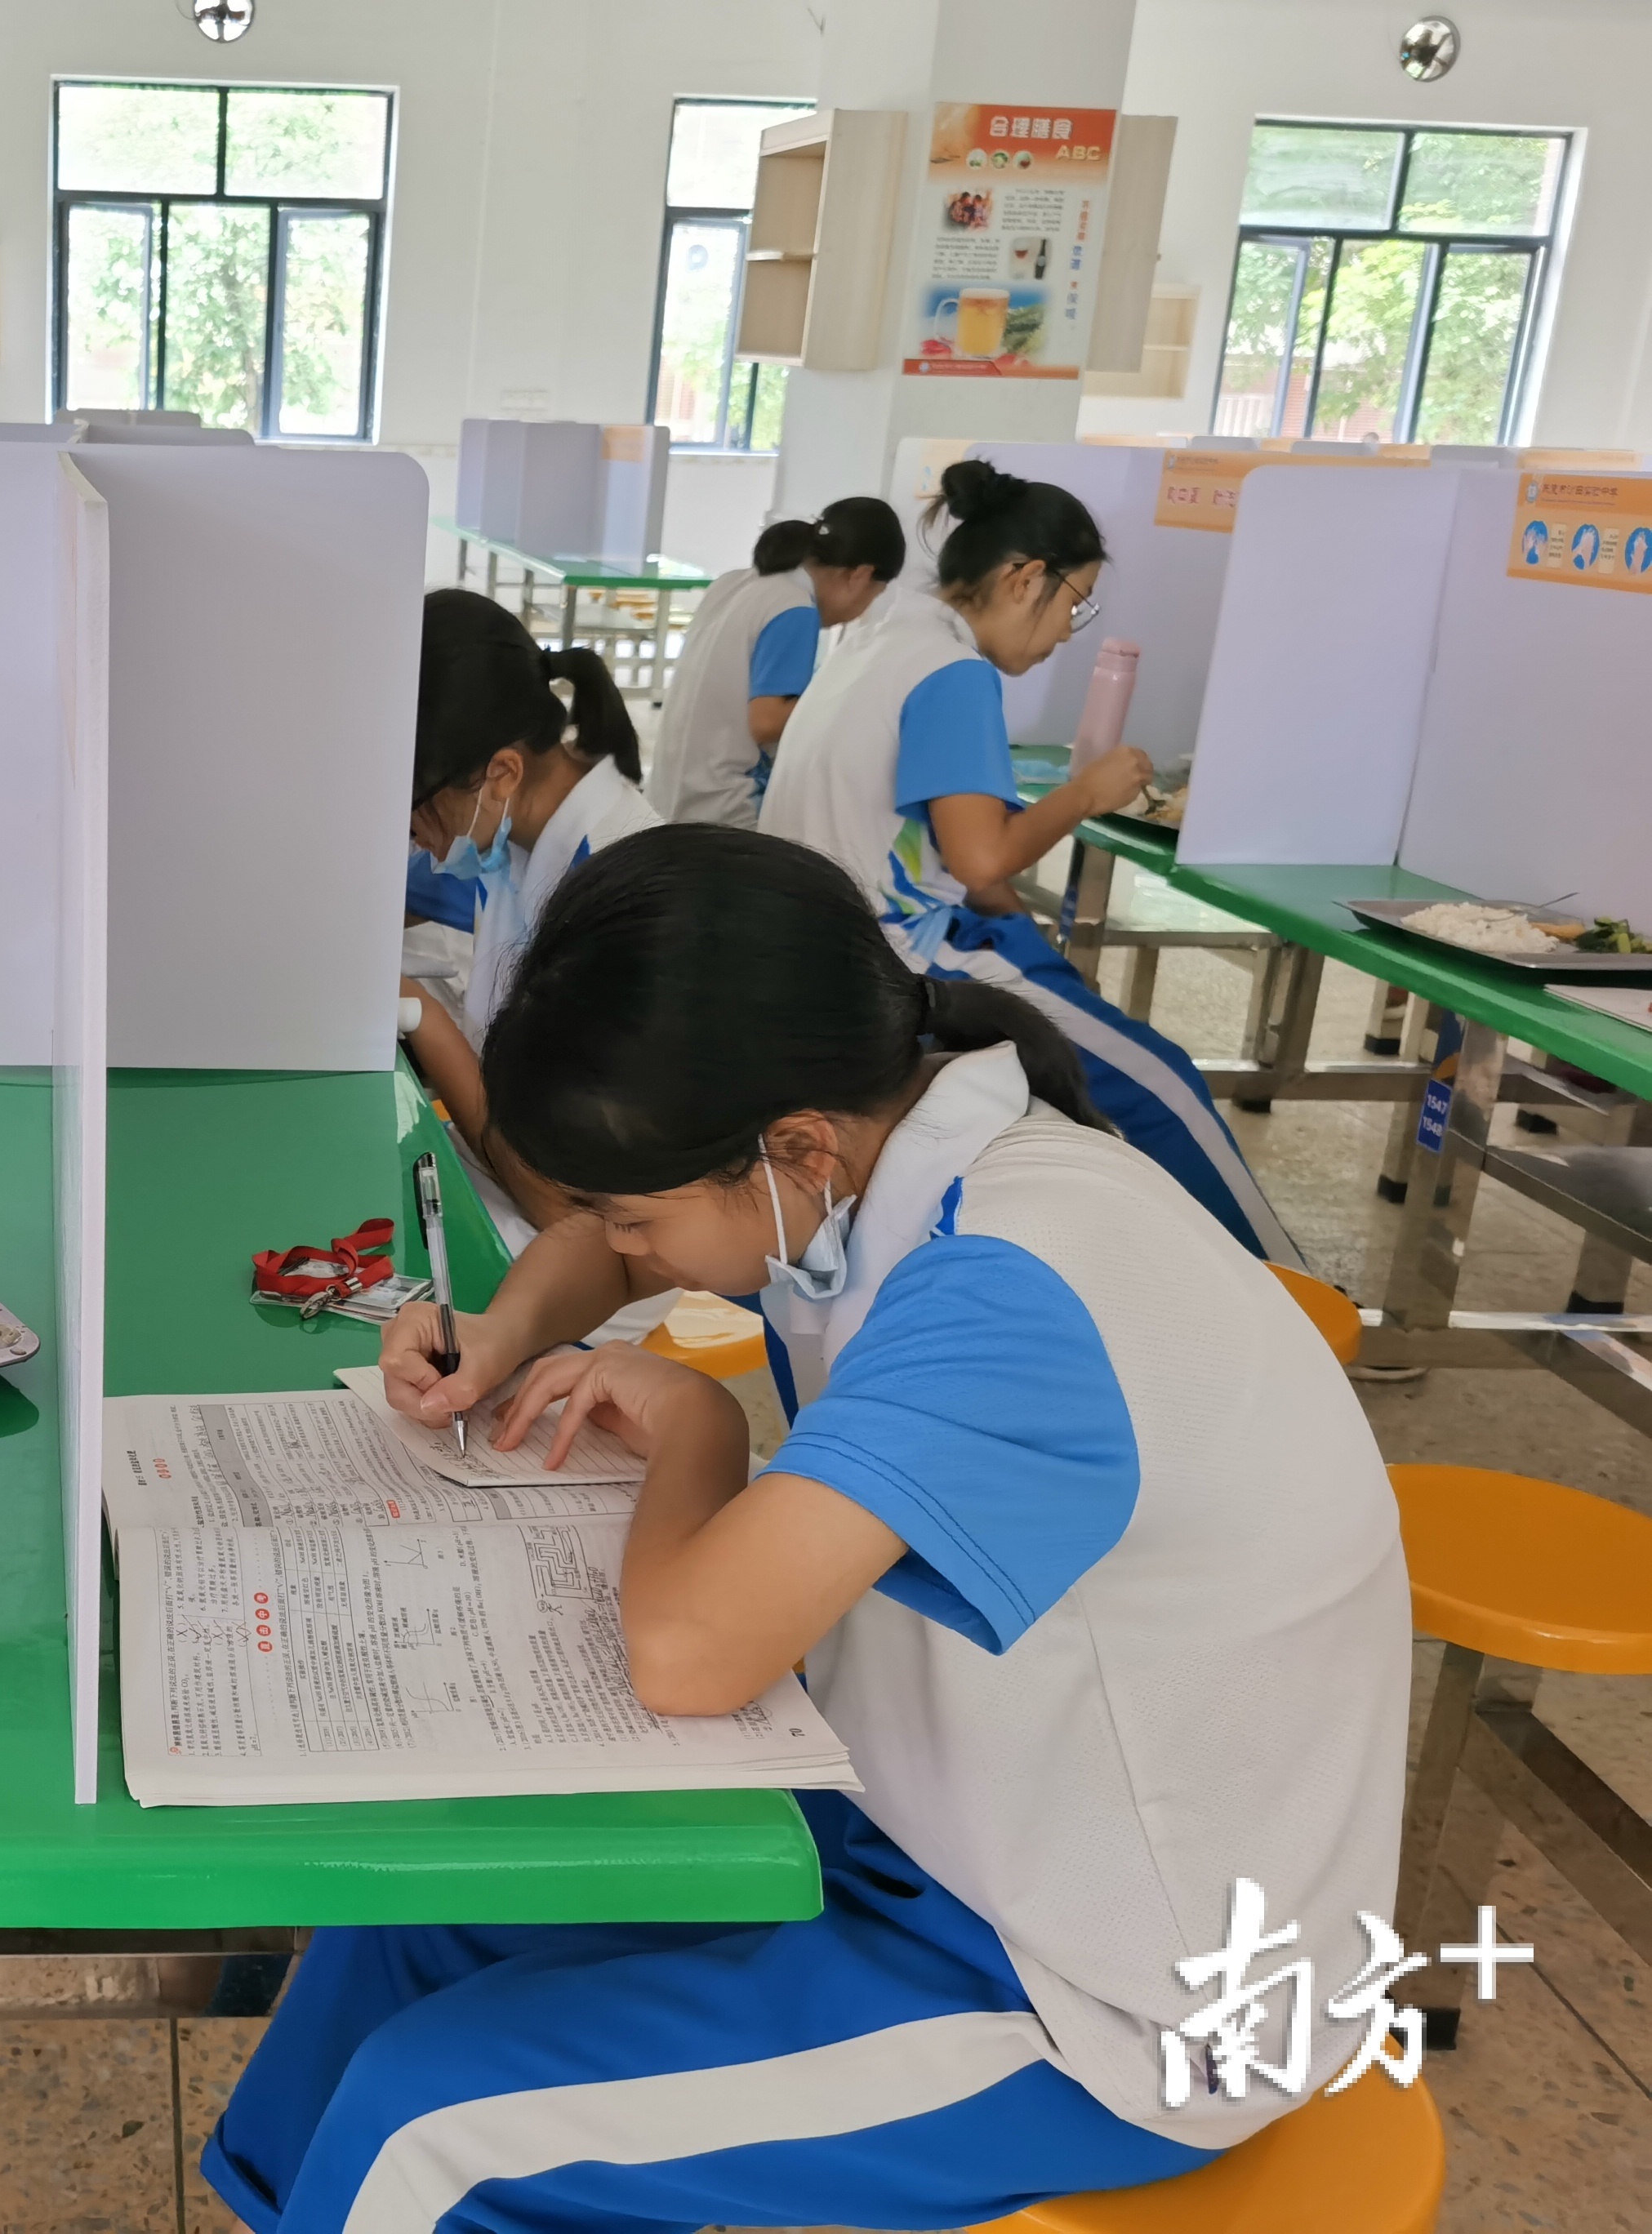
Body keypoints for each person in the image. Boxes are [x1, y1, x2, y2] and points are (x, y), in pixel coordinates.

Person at [207, 824, 1407, 2233]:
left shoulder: (1014, 1285)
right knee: (426, 1899)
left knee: (439, 2134)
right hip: (931, 1817)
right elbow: (635, 1221)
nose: (612, 1243)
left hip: (1112, 1989)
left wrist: (698, 1430)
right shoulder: (863, 1150)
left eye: (624, 1211)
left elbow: (687, 1653)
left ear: (792, 1150)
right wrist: (498, 1332)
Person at [758, 460, 1299, 1264]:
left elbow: (950, 856)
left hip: (814, 940)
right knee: (1162, 1085)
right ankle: (1288, 1290)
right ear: (1023, 578)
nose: (1061, 637)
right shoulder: (953, 672)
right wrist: (1087, 793)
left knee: (1062, 1004)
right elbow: (980, 860)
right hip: (895, 952)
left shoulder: (880, 637)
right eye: (1072, 606)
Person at [399, 590, 652, 1233]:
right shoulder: (509, 844)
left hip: (592, 1256)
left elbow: (570, 1213)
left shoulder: (614, 901)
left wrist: (423, 1017)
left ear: (503, 773)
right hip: (514, 1182)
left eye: (418, 806)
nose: (410, 835)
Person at [649, 496, 905, 828]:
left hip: (669, 798)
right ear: (861, 576)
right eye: (875, 595)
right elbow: (767, 722)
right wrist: (849, 702)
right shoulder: (795, 608)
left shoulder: (734, 582)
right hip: (726, 810)